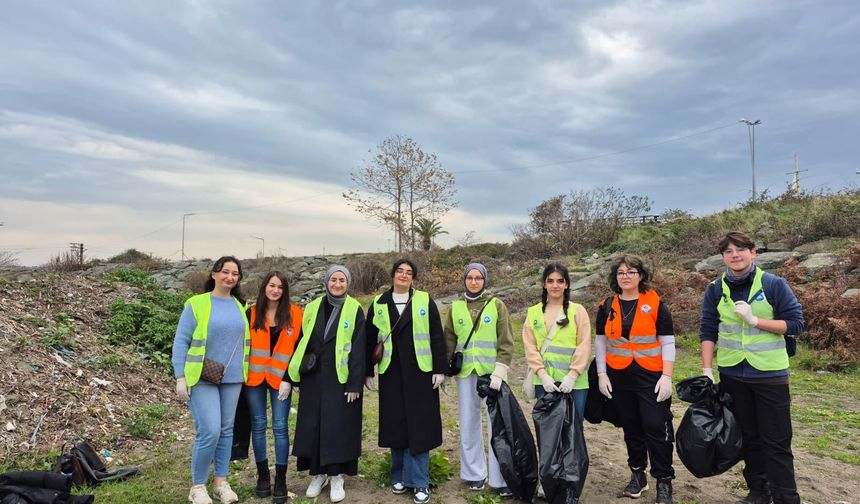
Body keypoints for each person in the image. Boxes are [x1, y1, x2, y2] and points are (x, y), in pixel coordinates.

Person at [699, 232, 804, 504]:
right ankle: (759, 492)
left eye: (741, 249)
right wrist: (707, 369)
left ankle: (786, 498)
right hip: (732, 374)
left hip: (769, 377)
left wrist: (755, 319)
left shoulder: (773, 284)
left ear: (753, 252)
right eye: (729, 251)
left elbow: (795, 325)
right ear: (722, 257)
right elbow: (708, 330)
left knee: (777, 443)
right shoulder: (715, 289)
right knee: (748, 439)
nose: (735, 255)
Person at [365, 258, 447, 504]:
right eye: (399, 271)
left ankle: (420, 481)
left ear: (413, 278)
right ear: (392, 275)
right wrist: (369, 371)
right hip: (391, 372)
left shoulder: (424, 300)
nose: (403, 275)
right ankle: (398, 476)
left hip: (421, 372)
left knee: (420, 425)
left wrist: (440, 369)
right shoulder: (379, 303)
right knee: (396, 424)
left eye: (408, 272)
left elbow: (436, 335)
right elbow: (370, 340)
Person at [595, 255, 676, 504]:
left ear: (641, 275)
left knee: (655, 426)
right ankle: (637, 476)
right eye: (621, 272)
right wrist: (601, 374)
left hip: (651, 375)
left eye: (631, 272)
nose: (626, 276)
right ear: (615, 277)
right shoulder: (606, 306)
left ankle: (664, 481)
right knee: (631, 426)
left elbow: (667, 342)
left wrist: (666, 376)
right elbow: (601, 342)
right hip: (619, 376)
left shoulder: (656, 304)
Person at [172, 256, 250, 504]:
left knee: (226, 431)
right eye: (225, 271)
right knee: (210, 431)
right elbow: (181, 340)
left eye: (235, 273)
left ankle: (220, 483)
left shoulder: (240, 305)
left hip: (233, 377)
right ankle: (197, 487)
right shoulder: (197, 304)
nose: (230, 277)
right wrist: (180, 375)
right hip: (201, 376)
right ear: (214, 274)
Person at [287, 265, 366, 504]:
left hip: (341, 379)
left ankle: (336, 476)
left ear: (348, 283)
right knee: (313, 425)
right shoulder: (311, 308)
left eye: (342, 280)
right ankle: (318, 474)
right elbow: (302, 341)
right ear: (326, 282)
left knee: (338, 427)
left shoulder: (355, 309)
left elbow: (359, 348)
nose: (338, 284)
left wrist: (355, 383)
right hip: (314, 377)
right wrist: (296, 375)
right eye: (334, 280)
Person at [443, 262, 515, 496]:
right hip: (465, 374)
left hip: (491, 374)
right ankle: (474, 473)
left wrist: (500, 371)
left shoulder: (497, 305)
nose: (474, 281)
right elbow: (449, 342)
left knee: (497, 424)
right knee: (468, 422)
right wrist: (445, 372)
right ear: (464, 280)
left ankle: (500, 476)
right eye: (470, 277)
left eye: (478, 278)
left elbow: (506, 341)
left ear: (485, 280)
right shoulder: (455, 308)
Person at [522, 263, 591, 502]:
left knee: (572, 433)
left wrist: (573, 374)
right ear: (544, 284)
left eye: (559, 281)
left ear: (567, 284)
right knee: (549, 433)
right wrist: (542, 374)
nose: (555, 285)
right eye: (550, 281)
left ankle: (569, 481)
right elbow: (530, 347)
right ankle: (548, 479)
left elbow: (584, 344)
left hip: (575, 384)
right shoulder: (533, 313)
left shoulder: (577, 311)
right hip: (547, 383)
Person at [243, 271, 302, 503]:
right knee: (258, 425)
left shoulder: (296, 314)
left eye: (280, 287)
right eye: (271, 285)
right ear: (264, 287)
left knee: (280, 427)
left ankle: (281, 479)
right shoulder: (251, 313)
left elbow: (300, 349)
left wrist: (291, 378)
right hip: (254, 379)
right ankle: (263, 477)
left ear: (285, 290)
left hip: (281, 381)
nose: (275, 290)